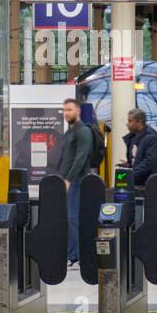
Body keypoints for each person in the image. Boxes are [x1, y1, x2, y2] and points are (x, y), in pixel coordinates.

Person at [56, 98, 96, 265]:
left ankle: (76, 255)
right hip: (67, 181)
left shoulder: (83, 131)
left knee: (74, 218)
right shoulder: (70, 132)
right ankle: (72, 253)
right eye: (64, 110)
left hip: (77, 181)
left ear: (78, 111)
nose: (66, 113)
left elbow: (81, 158)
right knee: (69, 218)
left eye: (70, 110)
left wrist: (69, 179)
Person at [121, 109, 157, 187]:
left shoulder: (151, 137)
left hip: (147, 184)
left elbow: (149, 161)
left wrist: (132, 173)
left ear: (139, 122)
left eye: (130, 121)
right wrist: (129, 163)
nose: (127, 124)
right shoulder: (133, 137)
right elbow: (139, 158)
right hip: (136, 182)